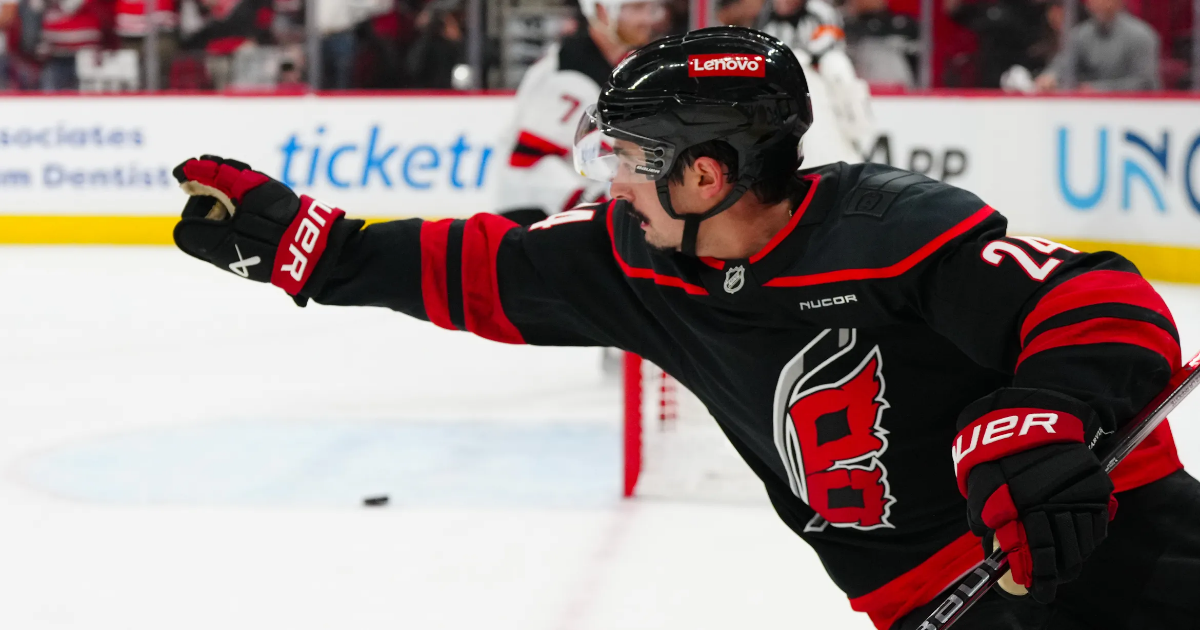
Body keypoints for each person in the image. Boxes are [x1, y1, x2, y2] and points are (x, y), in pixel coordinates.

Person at [169, 26, 1200, 630]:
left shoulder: (889, 232)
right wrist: (317, 247)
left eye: (627, 156)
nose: (609, 178)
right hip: (932, 602)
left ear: (705, 174)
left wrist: (1044, 416)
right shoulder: (632, 257)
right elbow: (478, 268)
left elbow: (1098, 301)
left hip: (1118, 538)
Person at [493, 0, 666, 227]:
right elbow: (527, 160)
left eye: (649, 8)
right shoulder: (569, 74)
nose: (646, 19)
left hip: (562, 215)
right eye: (635, 8)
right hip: (533, 215)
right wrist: (595, 203)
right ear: (601, 11)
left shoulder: (619, 66)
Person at [758, 0, 873, 161]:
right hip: (788, 71)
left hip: (819, 65)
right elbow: (763, 49)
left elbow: (832, 36)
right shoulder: (767, 17)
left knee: (837, 64)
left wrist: (807, 55)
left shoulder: (820, 10)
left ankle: (856, 128)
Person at [1035, 0, 1159, 92]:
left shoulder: (1141, 35)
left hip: (1132, 108)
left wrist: (1100, 89)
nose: (1098, 2)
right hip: (1087, 107)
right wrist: (1050, 76)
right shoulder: (1080, 34)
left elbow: (1145, 82)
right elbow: (1063, 63)